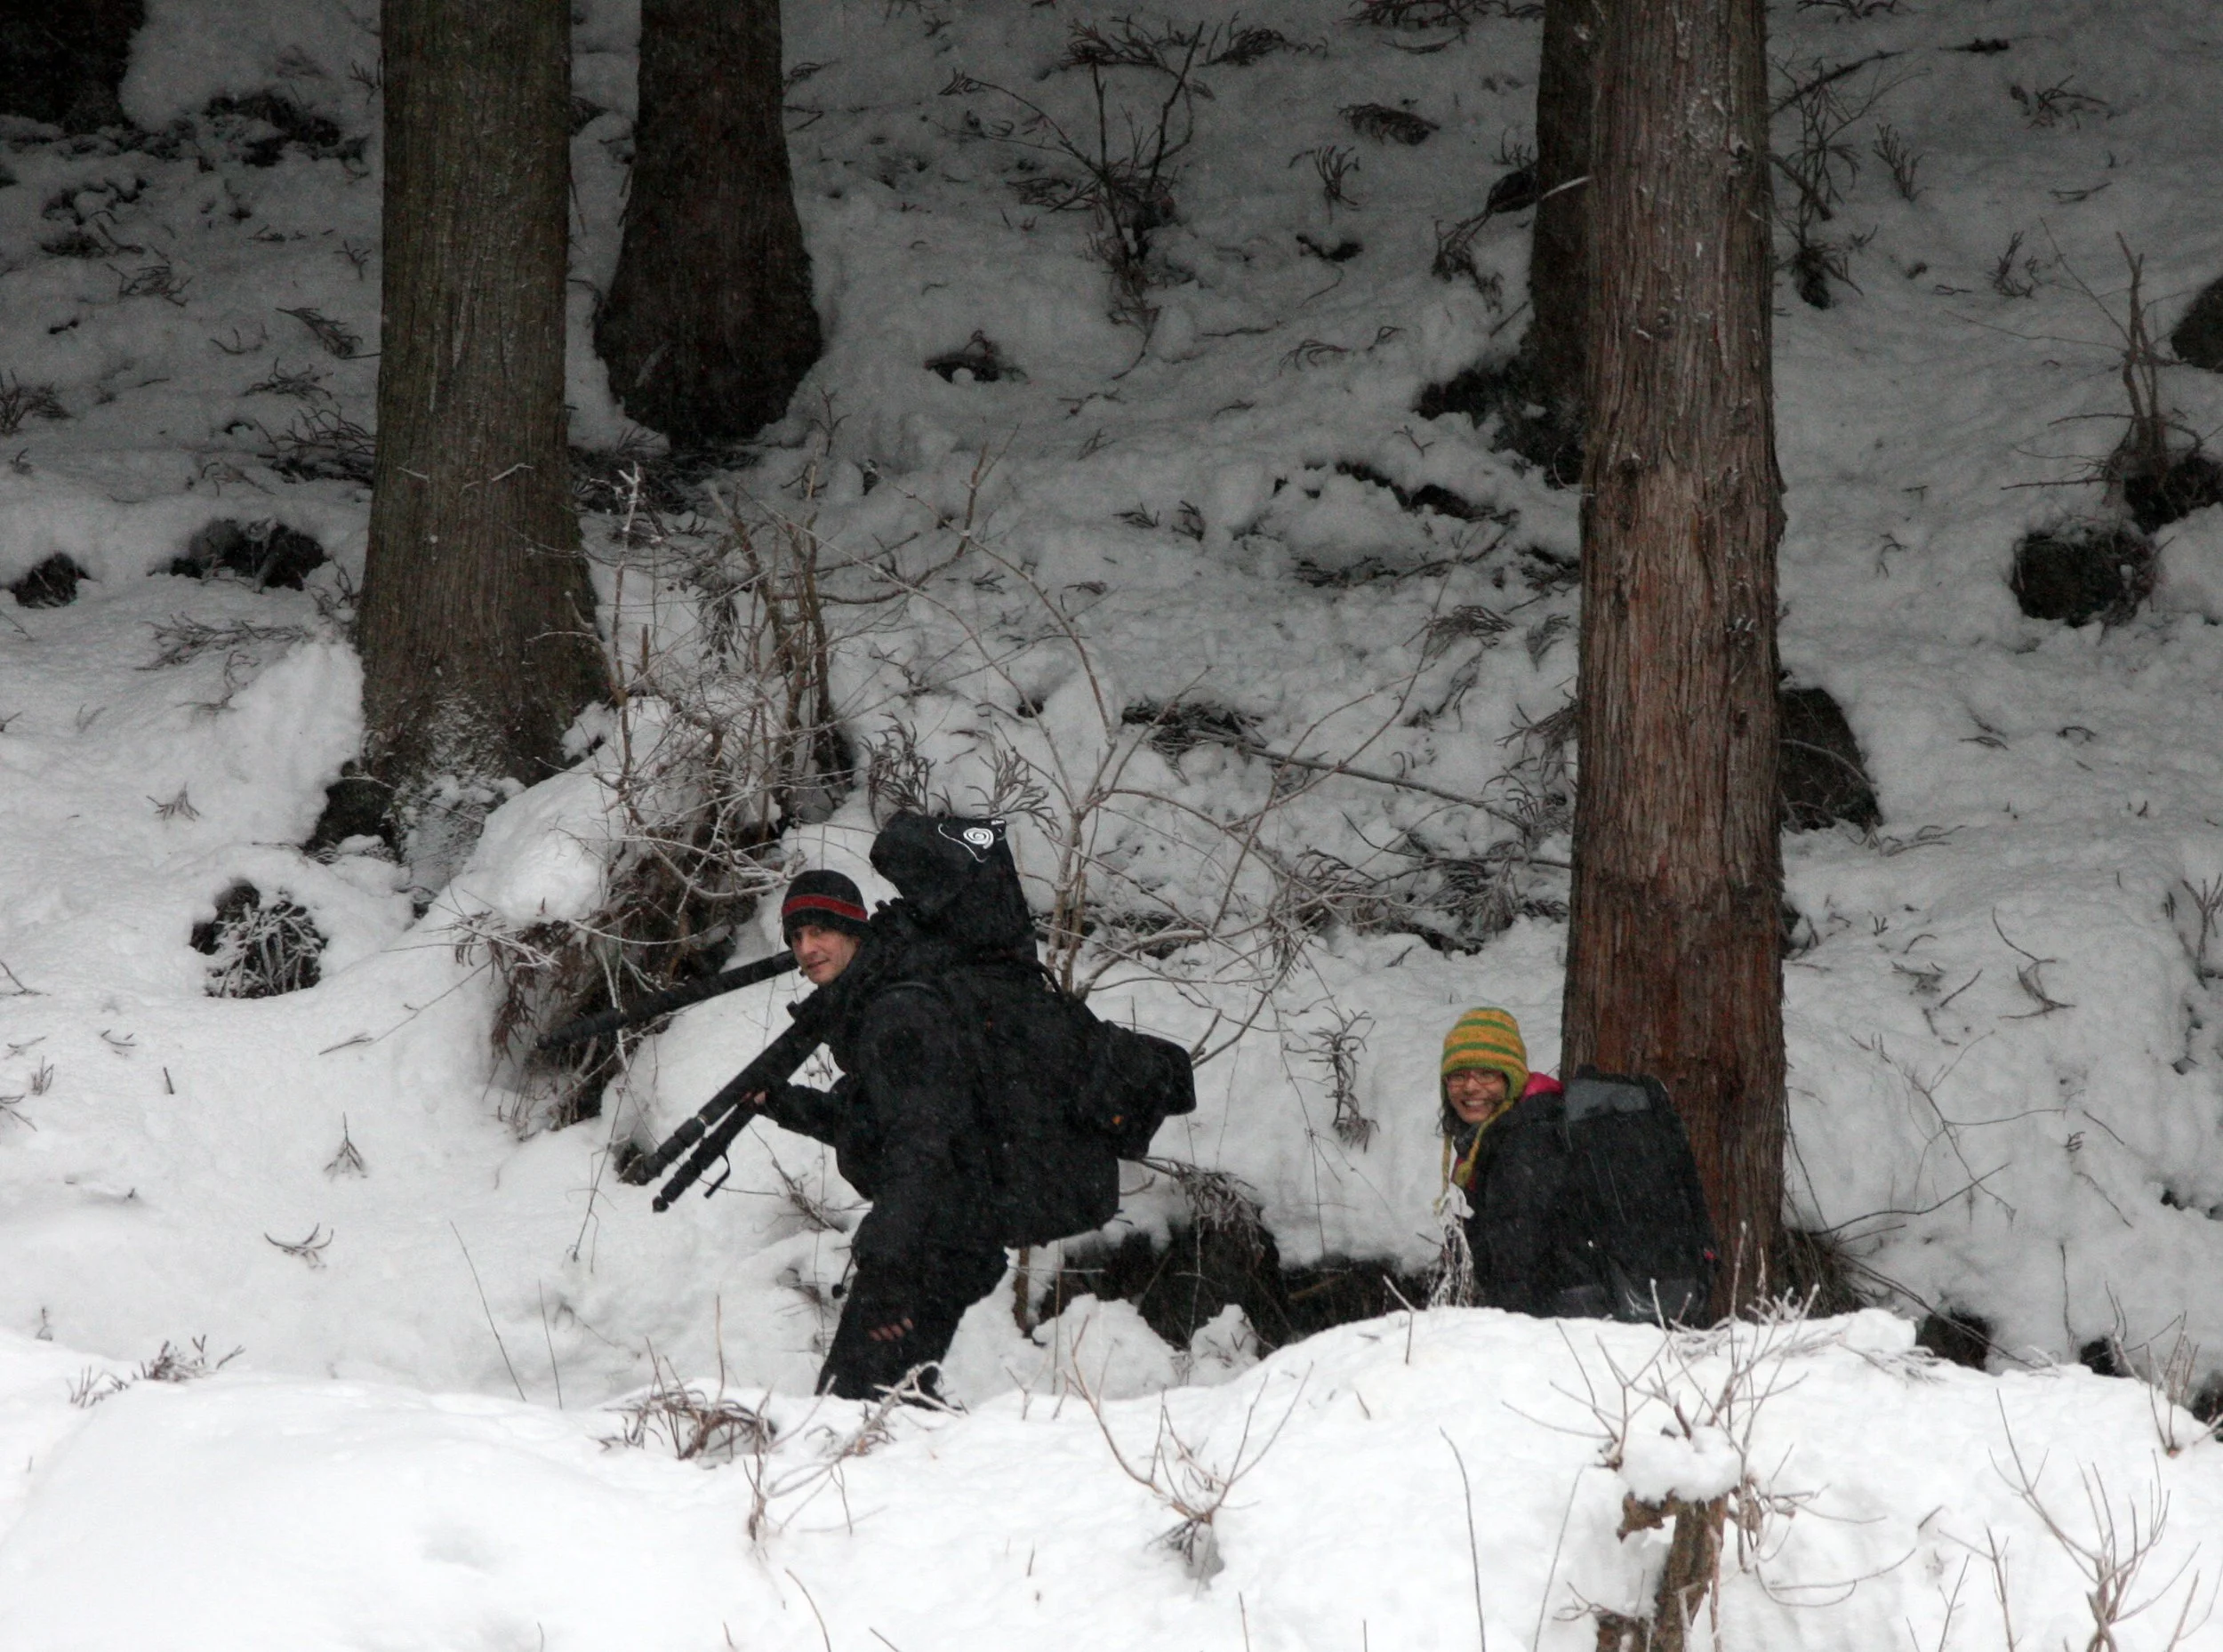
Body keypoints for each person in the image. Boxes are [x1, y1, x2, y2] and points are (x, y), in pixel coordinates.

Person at [753, 870, 1007, 1400]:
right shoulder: (875, 1002)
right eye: (796, 937)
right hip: (944, 1230)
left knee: (860, 1403)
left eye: (819, 931)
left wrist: (889, 1268)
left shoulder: (897, 1014)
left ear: (853, 931)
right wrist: (781, 1102)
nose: (806, 948)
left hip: (935, 1237)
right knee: (888, 1399)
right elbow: (876, 1125)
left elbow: (921, 1148)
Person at [1437, 1006, 1565, 1312]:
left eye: (1486, 1074)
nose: (1470, 1087)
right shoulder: (1500, 1136)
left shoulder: (1526, 1144)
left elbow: (1519, 1263)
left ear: (1512, 1080)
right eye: (1458, 1075)